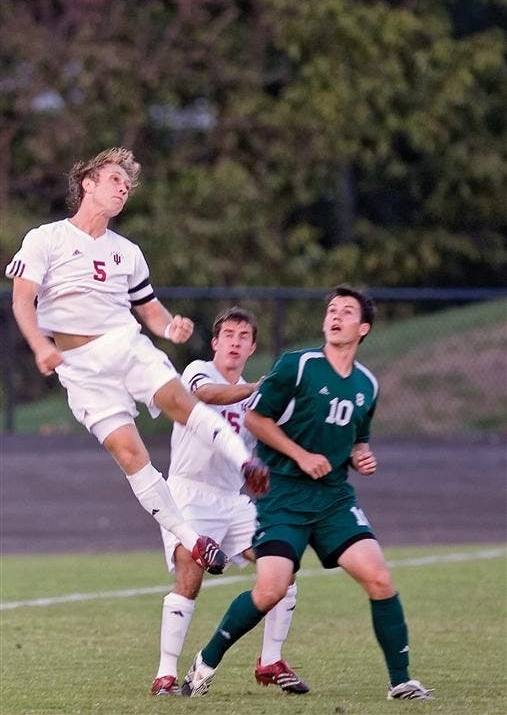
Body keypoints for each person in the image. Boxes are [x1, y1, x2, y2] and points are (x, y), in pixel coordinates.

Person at [4, 147, 268, 576]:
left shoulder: (127, 251)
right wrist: (40, 346)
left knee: (179, 402)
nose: (123, 189)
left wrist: (170, 328)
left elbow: (150, 311)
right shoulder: (45, 238)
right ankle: (192, 539)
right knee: (130, 454)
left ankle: (244, 461)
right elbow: (22, 300)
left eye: (127, 187)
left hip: (124, 345)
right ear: (88, 183)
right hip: (80, 369)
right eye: (114, 181)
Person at [181, 285, 434, 701]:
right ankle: (204, 664)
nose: (335, 316)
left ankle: (401, 681)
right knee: (270, 590)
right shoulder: (297, 366)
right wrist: (300, 456)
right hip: (282, 497)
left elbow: (357, 440)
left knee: (380, 579)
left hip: (334, 500)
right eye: (331, 310)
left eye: (347, 312)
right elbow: (256, 418)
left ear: (363, 327)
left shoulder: (367, 385)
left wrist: (361, 455)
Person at [151, 306, 308, 696]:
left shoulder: (259, 398)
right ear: (216, 343)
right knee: (190, 577)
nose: (235, 342)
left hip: (232, 500)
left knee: (282, 567)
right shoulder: (197, 371)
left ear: (252, 347)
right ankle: (165, 675)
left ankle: (270, 660)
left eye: (244, 337)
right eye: (229, 335)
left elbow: (270, 441)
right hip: (188, 493)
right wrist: (258, 388)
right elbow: (205, 395)